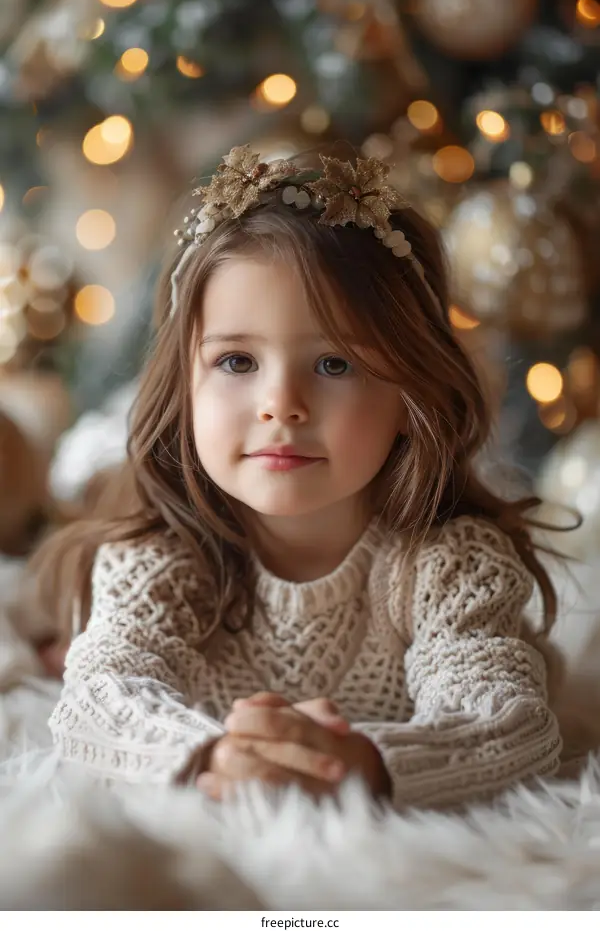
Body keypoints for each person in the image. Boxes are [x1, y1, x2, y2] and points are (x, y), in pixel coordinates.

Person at [31, 142, 565, 810]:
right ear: (184, 388)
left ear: (411, 399)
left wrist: (369, 762)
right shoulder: (160, 558)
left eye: (335, 364)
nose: (281, 403)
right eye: (236, 361)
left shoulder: (448, 565)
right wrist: (214, 755)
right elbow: (97, 703)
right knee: (65, 583)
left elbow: (511, 720)